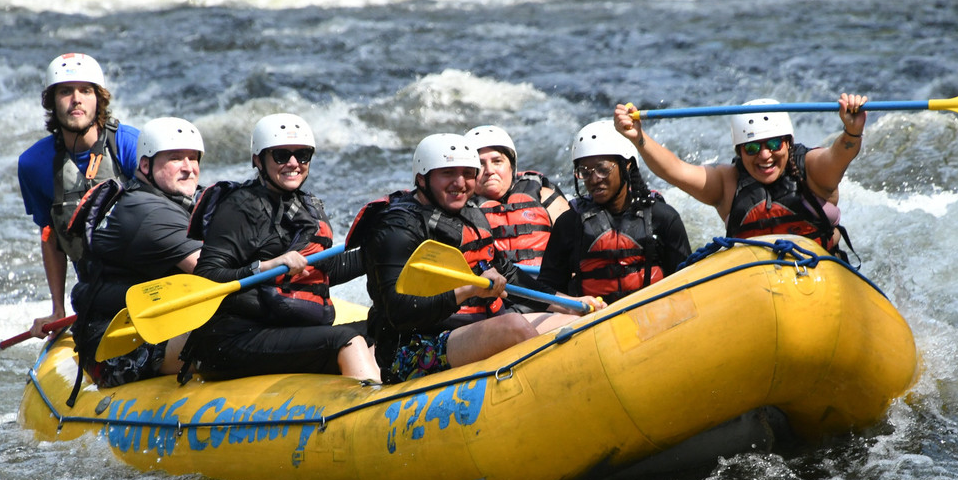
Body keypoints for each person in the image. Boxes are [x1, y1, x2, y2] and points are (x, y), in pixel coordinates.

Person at [348, 133, 601, 384]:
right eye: (448, 173)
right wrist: (469, 289)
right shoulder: (396, 228)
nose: (460, 183)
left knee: (576, 322)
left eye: (468, 173)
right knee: (513, 326)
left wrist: (572, 302)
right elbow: (398, 311)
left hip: (473, 328)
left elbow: (511, 277)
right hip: (411, 350)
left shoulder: (470, 214)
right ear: (422, 179)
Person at [186, 113, 380, 383]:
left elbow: (324, 272)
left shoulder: (307, 206)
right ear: (258, 160)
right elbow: (206, 279)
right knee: (347, 339)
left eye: (302, 155)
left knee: (385, 326)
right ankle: (371, 407)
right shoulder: (240, 207)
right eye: (280, 156)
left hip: (286, 330)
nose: (293, 163)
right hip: (234, 339)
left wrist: (377, 250)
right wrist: (265, 266)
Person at [614, 94, 868, 258]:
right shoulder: (727, 183)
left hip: (818, 270)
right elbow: (675, 170)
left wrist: (852, 131)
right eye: (753, 148)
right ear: (739, 151)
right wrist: (639, 138)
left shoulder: (812, 168)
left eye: (774, 145)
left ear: (788, 143)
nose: (765, 155)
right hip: (755, 284)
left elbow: (840, 154)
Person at [69, 117, 204, 389]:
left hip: (153, 325)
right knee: (227, 336)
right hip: (115, 348)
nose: (189, 168)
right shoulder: (146, 213)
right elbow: (214, 273)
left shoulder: (175, 198)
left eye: (193, 158)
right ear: (145, 165)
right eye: (176, 158)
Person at [17, 53, 140, 338]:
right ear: (51, 101)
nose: (76, 99)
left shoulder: (131, 145)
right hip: (94, 287)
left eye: (86, 90)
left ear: (99, 99)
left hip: (145, 276)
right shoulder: (33, 164)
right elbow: (49, 233)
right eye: (65, 91)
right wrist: (57, 309)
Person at [537, 120, 692, 305]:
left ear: (626, 166)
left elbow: (687, 283)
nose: (593, 179)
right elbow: (546, 289)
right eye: (584, 172)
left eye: (602, 170)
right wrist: (571, 304)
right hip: (593, 323)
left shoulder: (663, 218)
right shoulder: (570, 223)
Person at [466, 124, 570, 266]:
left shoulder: (544, 197)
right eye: (480, 164)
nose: (489, 170)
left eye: (497, 161)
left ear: (512, 166)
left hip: (545, 284)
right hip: (492, 285)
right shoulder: (460, 209)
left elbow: (576, 248)